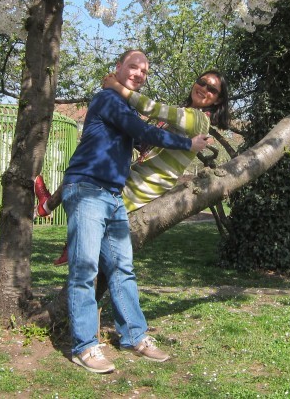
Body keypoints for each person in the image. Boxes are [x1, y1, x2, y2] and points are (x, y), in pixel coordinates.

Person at [56, 49, 212, 374]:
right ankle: (84, 347)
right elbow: (141, 130)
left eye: (144, 70)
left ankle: (134, 336)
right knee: (85, 270)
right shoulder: (109, 100)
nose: (138, 73)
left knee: (121, 268)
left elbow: (135, 136)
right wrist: (187, 145)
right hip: (86, 188)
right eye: (133, 67)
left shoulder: (124, 105)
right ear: (118, 69)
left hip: (112, 195)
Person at [35, 69, 231, 266]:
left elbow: (154, 108)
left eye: (212, 89)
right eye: (202, 82)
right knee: (89, 173)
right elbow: (152, 137)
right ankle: (47, 206)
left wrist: (117, 87)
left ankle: (75, 244)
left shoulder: (198, 119)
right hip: (139, 171)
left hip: (147, 181)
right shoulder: (186, 114)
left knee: (94, 202)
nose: (204, 88)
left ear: (217, 100)